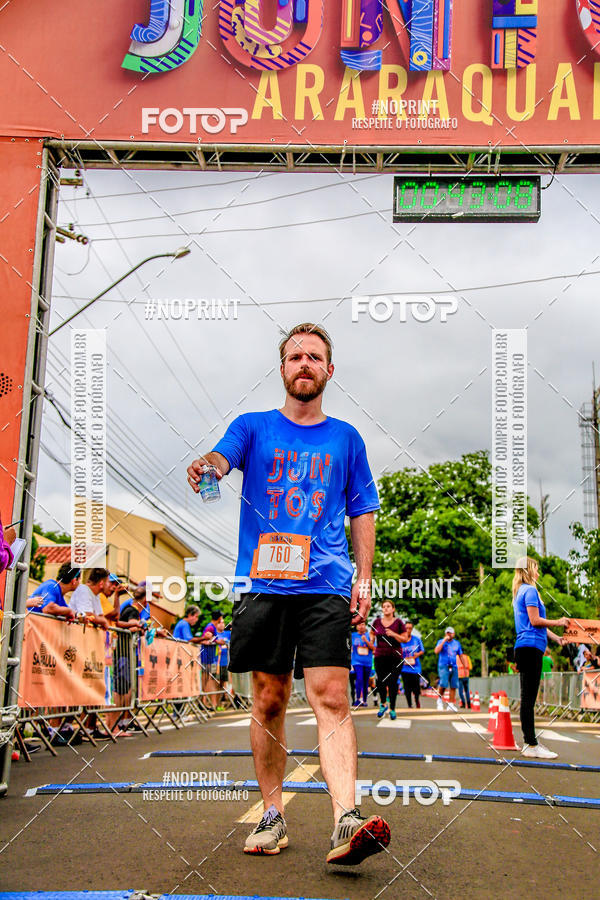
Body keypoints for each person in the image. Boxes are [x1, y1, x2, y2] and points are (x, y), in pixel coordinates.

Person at [186, 322, 389, 866]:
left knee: (332, 695)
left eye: (314, 357)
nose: (305, 364)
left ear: (329, 370)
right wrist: (208, 466)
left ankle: (347, 818)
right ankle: (272, 815)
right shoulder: (252, 427)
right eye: (295, 356)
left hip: (326, 583)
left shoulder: (347, 438)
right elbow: (222, 459)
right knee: (269, 698)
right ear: (282, 369)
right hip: (262, 583)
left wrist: (364, 578)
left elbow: (363, 510)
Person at [512, 556, 568, 759]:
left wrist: (556, 638)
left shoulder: (520, 591)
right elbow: (535, 621)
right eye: (536, 568)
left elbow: (535, 623)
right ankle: (530, 744)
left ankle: (530, 741)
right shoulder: (530, 590)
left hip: (527, 646)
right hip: (530, 647)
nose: (538, 572)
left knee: (528, 697)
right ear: (528, 570)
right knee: (529, 698)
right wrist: (559, 622)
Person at [370, 601, 410, 721]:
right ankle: (383, 704)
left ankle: (392, 708)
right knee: (380, 681)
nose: (386, 608)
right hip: (380, 655)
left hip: (395, 657)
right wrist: (372, 639)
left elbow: (405, 639)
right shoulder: (377, 622)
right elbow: (372, 632)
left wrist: (394, 634)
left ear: (393, 609)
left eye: (388, 606)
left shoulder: (398, 623)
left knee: (392, 682)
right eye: (384, 607)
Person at [434, 626, 466, 711]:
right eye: (448, 633)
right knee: (443, 683)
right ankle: (439, 700)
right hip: (443, 665)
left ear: (453, 634)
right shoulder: (441, 641)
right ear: (445, 634)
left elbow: (461, 655)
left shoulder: (456, 643)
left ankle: (451, 704)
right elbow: (436, 651)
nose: (449, 634)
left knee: (453, 685)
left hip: (454, 666)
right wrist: (444, 641)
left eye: (451, 633)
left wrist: (464, 666)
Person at [399, 621, 424, 709]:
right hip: (405, 668)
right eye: (406, 628)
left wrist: (418, 654)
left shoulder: (416, 639)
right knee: (407, 687)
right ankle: (409, 704)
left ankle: (417, 700)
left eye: (410, 628)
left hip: (415, 667)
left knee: (416, 687)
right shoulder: (400, 641)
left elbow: (422, 650)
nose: (408, 630)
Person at [351, 622, 374, 708]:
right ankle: (358, 699)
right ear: (356, 626)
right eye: (359, 625)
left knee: (365, 681)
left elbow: (373, 648)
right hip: (357, 662)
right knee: (359, 678)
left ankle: (364, 700)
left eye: (363, 624)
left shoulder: (369, 635)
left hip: (367, 662)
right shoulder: (353, 635)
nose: (361, 626)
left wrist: (366, 641)